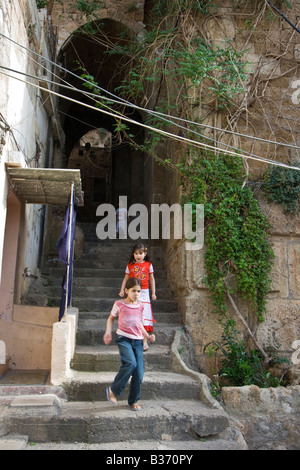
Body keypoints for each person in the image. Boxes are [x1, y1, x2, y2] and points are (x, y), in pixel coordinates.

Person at [103, 278, 155, 411]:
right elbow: (111, 318)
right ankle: (113, 390)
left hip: (137, 341)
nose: (136, 294)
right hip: (123, 338)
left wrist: (147, 336)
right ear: (126, 291)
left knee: (139, 373)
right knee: (130, 363)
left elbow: (140, 324)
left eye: (138, 291)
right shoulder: (119, 304)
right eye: (133, 291)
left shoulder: (141, 306)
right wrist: (108, 332)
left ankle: (134, 400)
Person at [119, 243, 157, 351]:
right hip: (131, 292)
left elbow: (152, 279)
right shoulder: (130, 265)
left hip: (144, 293)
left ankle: (144, 343)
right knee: (133, 316)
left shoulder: (149, 265)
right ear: (133, 254)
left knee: (144, 317)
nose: (138, 256)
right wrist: (122, 290)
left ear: (145, 253)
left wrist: (153, 293)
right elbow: (126, 279)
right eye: (136, 253)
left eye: (140, 253)